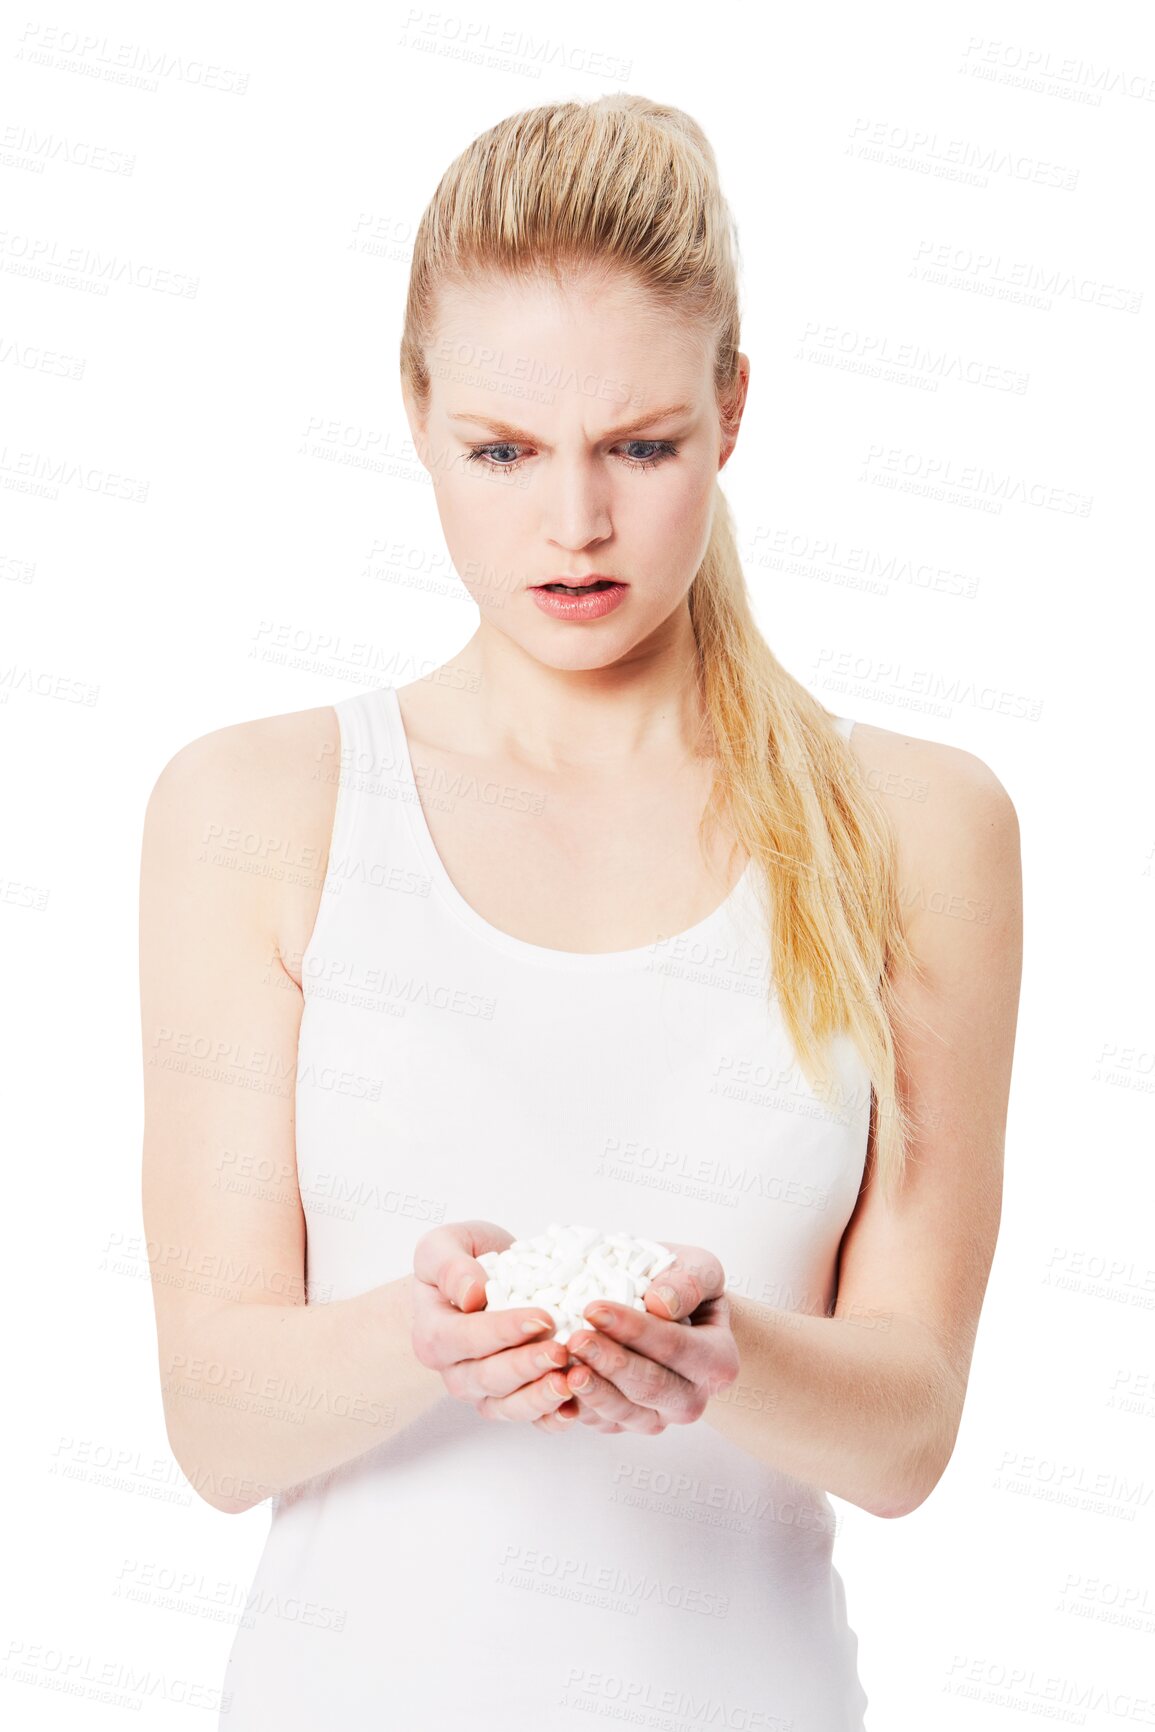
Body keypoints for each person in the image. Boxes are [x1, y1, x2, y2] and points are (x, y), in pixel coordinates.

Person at [139, 94, 1022, 1731]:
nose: (574, 526)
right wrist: (425, 1341)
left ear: (731, 410)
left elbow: (910, 1433)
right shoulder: (254, 810)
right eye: (502, 451)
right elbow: (215, 1422)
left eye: (640, 445)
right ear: (415, 416)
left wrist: (724, 1353)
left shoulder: (918, 826)